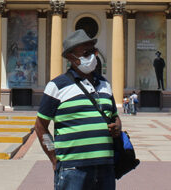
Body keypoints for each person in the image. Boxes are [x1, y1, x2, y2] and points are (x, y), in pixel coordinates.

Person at [35, 29, 121, 190]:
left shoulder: (105, 84)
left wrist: (117, 125)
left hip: (105, 167)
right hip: (72, 169)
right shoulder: (57, 86)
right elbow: (40, 126)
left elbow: (114, 116)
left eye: (93, 52)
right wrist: (54, 159)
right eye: (86, 53)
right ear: (70, 57)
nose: (92, 57)